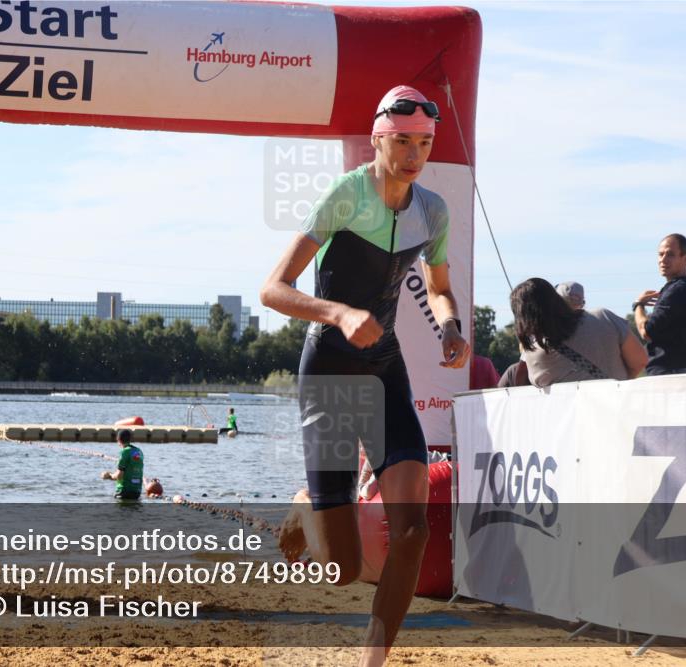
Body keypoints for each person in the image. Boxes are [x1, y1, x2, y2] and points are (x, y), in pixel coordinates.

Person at [260, 84, 470, 665]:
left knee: (413, 532)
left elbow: (441, 289)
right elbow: (273, 288)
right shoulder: (346, 195)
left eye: (423, 143)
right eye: (402, 141)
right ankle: (307, 506)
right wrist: (339, 313)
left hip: (383, 368)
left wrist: (450, 327)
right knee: (342, 569)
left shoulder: (433, 211)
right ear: (378, 139)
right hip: (328, 369)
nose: (413, 154)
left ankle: (372, 662)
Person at [512, 278, 647, 386]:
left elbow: (522, 384)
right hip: (620, 408)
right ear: (556, 299)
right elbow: (640, 361)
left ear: (522, 318)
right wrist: (616, 385)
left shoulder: (534, 354)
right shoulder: (603, 317)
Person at [633, 233, 686, 375]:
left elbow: (646, 332)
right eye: (660, 254)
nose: (663, 260)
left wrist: (638, 305)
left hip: (665, 373)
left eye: (670, 254)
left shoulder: (675, 291)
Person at [101, 429, 144, 501]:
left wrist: (109, 475)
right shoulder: (139, 451)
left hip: (124, 491)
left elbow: (119, 476)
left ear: (118, 440)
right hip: (137, 492)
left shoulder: (124, 452)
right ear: (130, 439)